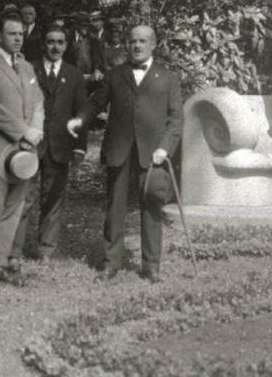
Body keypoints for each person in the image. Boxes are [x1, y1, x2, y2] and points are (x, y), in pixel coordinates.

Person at [86, 24, 182, 283]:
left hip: (153, 153)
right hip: (120, 148)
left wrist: (164, 147)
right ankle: (110, 262)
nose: (137, 46)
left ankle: (151, 265)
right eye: (132, 41)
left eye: (142, 41)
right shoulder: (115, 75)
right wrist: (76, 119)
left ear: (153, 45)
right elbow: (95, 104)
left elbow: (176, 120)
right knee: (114, 207)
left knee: (151, 205)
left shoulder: (168, 77)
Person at [0, 13, 45, 288]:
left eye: (20, 34)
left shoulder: (26, 67)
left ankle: (0, 262)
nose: (17, 38)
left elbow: (38, 101)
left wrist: (34, 132)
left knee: (13, 210)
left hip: (24, 150)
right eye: (12, 33)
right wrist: (23, 131)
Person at [12, 24, 90, 260]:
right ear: (43, 44)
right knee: (22, 198)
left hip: (60, 145)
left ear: (66, 46)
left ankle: (46, 249)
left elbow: (81, 112)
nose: (55, 47)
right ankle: (13, 250)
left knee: (53, 198)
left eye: (60, 42)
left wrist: (79, 146)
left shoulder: (74, 75)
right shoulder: (28, 70)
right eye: (50, 41)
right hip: (30, 144)